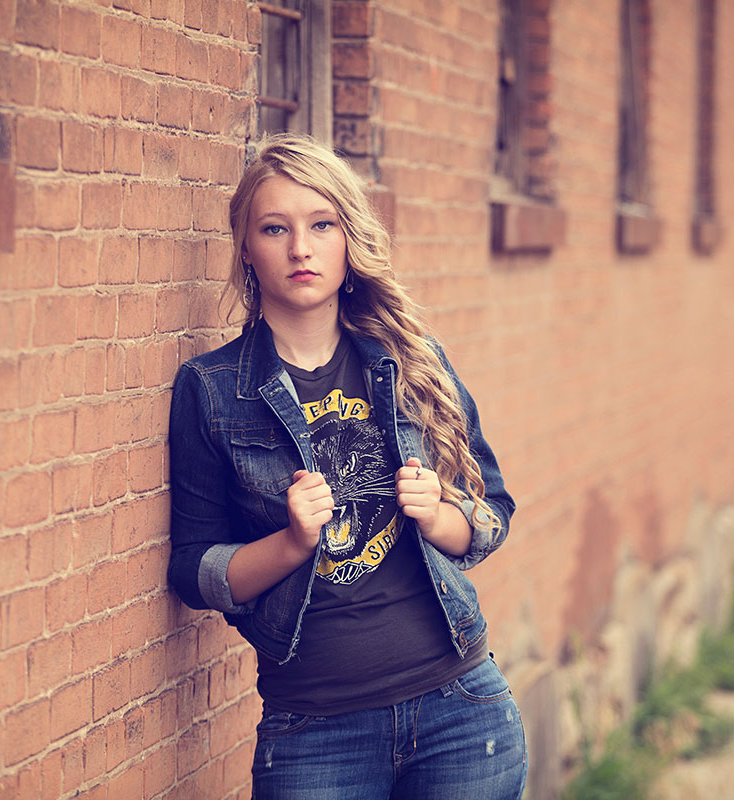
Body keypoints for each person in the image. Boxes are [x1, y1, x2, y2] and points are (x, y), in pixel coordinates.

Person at [166, 133, 525, 799]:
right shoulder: (211, 389)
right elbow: (193, 570)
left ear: (347, 239)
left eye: (321, 225)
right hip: (315, 733)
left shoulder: (412, 361)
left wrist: (438, 517)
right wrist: (291, 542)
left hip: (460, 713)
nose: (300, 249)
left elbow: (492, 512)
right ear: (246, 249)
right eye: (275, 228)